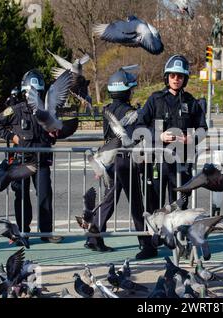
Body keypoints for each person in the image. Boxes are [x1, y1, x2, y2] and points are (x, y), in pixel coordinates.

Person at [84, 67, 158, 259]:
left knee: (108, 200)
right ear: (126, 91)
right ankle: (145, 242)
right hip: (126, 161)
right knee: (135, 203)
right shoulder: (130, 112)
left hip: (110, 160)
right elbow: (136, 136)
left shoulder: (107, 109)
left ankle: (93, 236)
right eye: (131, 90)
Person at [0, 69, 63, 244]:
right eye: (32, 92)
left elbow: (54, 130)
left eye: (38, 92)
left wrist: (55, 134)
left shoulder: (46, 110)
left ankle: (46, 233)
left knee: (45, 195)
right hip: (21, 161)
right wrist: (12, 137)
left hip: (42, 161)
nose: (35, 95)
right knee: (22, 196)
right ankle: (23, 232)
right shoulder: (15, 110)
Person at [136, 55, 208, 212]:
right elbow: (139, 126)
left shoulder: (191, 102)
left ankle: (178, 235)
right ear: (166, 77)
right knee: (154, 206)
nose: (176, 79)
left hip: (182, 164)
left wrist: (192, 138)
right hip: (157, 163)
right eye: (172, 75)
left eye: (180, 76)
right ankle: (157, 237)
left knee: (180, 206)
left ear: (185, 78)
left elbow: (203, 128)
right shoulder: (155, 100)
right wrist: (158, 136)